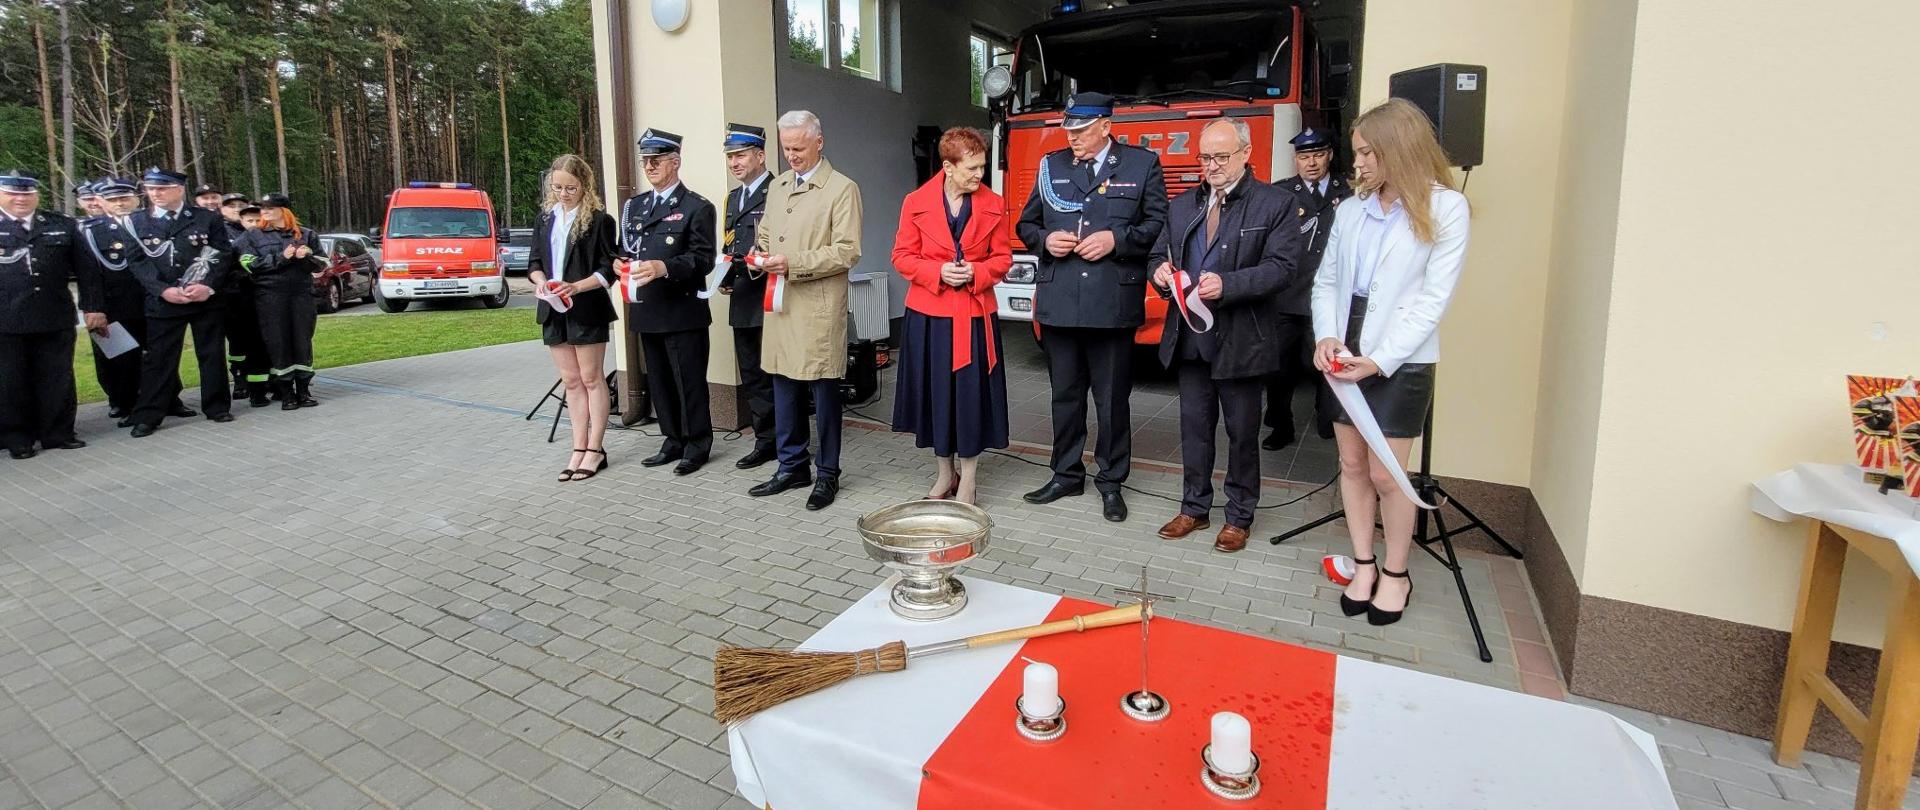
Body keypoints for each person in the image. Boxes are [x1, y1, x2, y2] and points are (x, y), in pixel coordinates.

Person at [1312, 99, 1471, 626]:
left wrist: (1379, 360)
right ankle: (1363, 564)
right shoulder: (1350, 209)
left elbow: (1433, 301)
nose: (1356, 164)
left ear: (1395, 149)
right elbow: (1328, 281)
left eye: (1365, 153)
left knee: (1388, 474)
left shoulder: (1446, 207)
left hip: (1399, 359)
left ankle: (1396, 573)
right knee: (1352, 466)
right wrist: (1327, 335)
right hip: (1345, 349)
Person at [1148, 119, 1301, 552]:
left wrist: (1230, 285)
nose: (1211, 166)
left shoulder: (1275, 203)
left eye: (1221, 157)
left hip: (1243, 341)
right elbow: (1159, 253)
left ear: (1246, 153)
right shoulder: (1182, 206)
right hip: (1191, 339)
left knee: (1241, 432)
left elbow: (1284, 268)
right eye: (1205, 157)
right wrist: (1158, 272)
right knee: (1194, 428)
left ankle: (1239, 515)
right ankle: (1194, 507)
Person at [1016, 92, 1168, 522]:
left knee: (1112, 399)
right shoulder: (1052, 166)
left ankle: (1111, 481)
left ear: (1105, 126)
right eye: (1068, 130)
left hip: (1111, 302)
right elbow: (1027, 223)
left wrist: (1117, 241)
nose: (1073, 138)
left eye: (1080, 131)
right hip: (1061, 299)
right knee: (1064, 396)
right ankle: (1065, 474)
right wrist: (1044, 240)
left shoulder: (1141, 165)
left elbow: (1158, 224)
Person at [889, 127, 1012, 506]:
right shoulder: (915, 202)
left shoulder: (994, 203)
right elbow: (901, 256)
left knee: (971, 398)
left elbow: (1003, 259)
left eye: (982, 166)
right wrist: (936, 273)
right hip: (929, 316)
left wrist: (978, 272)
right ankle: (945, 473)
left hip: (975, 316)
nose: (979, 174)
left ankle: (970, 480)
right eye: (972, 168)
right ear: (947, 166)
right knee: (936, 397)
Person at [748, 110, 862, 511]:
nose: (791, 155)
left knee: (823, 390)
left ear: (819, 142)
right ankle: (791, 465)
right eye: (786, 148)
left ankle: (827, 473)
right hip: (781, 303)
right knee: (782, 383)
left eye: (798, 147)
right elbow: (764, 234)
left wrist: (791, 263)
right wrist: (758, 256)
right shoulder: (777, 186)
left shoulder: (841, 188)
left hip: (816, 306)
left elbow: (847, 251)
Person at [616, 129, 718, 476]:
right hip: (648, 309)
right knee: (659, 381)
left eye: (656, 160)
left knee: (688, 381)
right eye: (646, 160)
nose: (649, 166)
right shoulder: (636, 207)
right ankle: (672, 439)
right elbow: (624, 248)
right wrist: (618, 263)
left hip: (682, 310)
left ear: (675, 162)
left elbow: (703, 259)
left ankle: (697, 444)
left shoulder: (697, 207)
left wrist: (664, 267)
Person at [528, 154, 618, 482]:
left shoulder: (598, 219)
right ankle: (577, 447)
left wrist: (575, 287)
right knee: (571, 381)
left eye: (571, 188)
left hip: (586, 307)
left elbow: (610, 269)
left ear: (584, 185)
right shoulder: (545, 218)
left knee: (592, 378)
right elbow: (534, 262)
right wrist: (542, 283)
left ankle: (596, 448)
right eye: (557, 187)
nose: (564, 194)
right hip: (552, 308)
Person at [127, 167, 235, 437]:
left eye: (162, 188)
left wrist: (207, 286)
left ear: (178, 189)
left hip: (203, 299)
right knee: (159, 359)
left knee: (211, 354)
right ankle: (149, 414)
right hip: (164, 301)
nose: (155, 194)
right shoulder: (135, 221)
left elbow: (222, 253)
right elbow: (137, 261)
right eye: (151, 189)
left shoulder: (206, 217)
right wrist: (162, 290)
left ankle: (217, 406)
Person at [1267, 127, 1352, 450]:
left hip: (1328, 295)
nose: (1311, 163)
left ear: (1329, 154)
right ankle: (1279, 423)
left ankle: (1327, 418)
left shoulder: (1349, 193)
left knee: (1327, 362)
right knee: (1279, 366)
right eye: (1304, 156)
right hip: (1287, 295)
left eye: (1317, 154)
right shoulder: (1281, 194)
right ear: (1296, 160)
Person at [78, 176, 188, 426]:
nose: (119, 203)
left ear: (136, 198)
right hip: (114, 306)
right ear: (101, 202)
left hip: (154, 301)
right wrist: (92, 308)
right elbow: (88, 275)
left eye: (124, 198)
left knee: (160, 355)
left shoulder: (155, 222)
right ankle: (128, 406)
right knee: (121, 359)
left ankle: (171, 400)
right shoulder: (89, 231)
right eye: (113, 199)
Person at [0, 169, 89, 459]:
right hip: (6, 319)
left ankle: (58, 433)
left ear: (36, 194)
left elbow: (87, 271)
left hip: (53, 314)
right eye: (13, 192)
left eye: (26, 192)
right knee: (11, 381)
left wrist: (94, 306)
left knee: (58, 378)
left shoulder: (60, 225)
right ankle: (18, 438)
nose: (20, 198)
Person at [716, 123, 778, 470]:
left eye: (740, 155)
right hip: (742, 296)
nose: (734, 163)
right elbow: (730, 244)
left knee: (779, 375)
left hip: (770, 295)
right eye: (730, 157)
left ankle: (788, 440)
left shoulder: (778, 191)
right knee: (753, 374)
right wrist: (724, 277)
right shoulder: (733, 197)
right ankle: (764, 440)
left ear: (760, 155)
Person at [234, 193, 324, 409]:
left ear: (284, 211)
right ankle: (286, 393)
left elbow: (322, 264)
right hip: (270, 297)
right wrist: (281, 257)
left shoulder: (307, 234)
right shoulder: (253, 236)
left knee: (302, 342)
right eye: (262, 208)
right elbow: (248, 264)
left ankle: (303, 390)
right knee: (278, 342)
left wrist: (307, 257)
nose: (264, 212)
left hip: (301, 295)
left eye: (270, 208)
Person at [219, 192, 271, 407]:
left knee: (262, 343)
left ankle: (266, 385)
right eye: (248, 219)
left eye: (257, 218)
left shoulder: (269, 234)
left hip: (264, 297)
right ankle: (242, 381)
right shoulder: (222, 234)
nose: (254, 223)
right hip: (236, 298)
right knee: (240, 344)